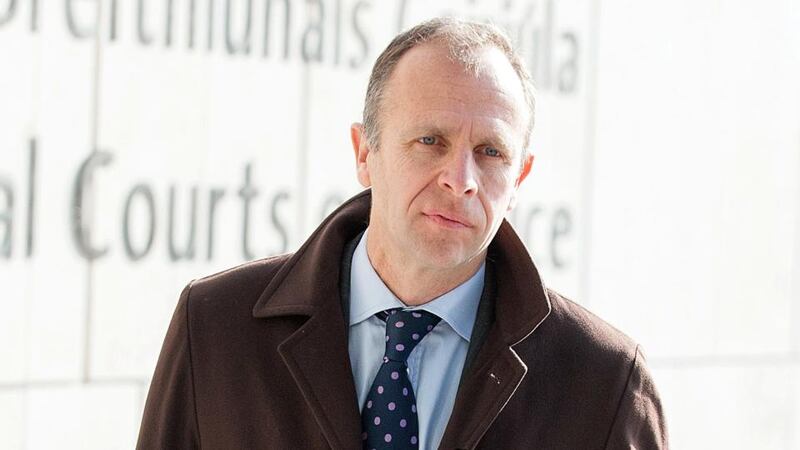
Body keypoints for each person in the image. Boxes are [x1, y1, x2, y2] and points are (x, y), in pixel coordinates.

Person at [136, 17, 668, 450]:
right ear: (364, 152)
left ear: (519, 179)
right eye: (431, 141)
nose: (460, 180)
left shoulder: (604, 384)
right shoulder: (215, 327)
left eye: (490, 152)